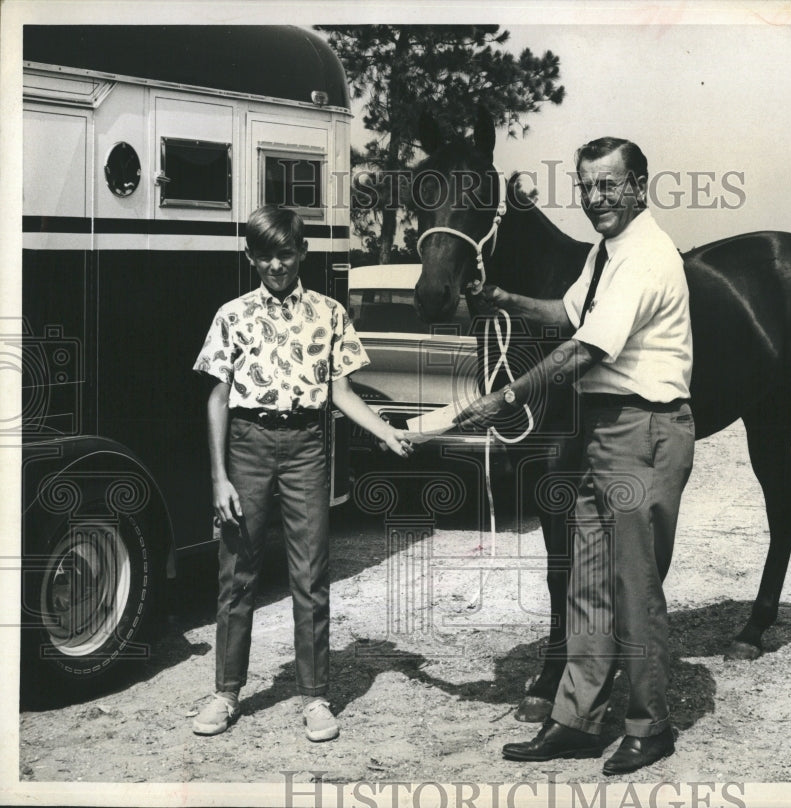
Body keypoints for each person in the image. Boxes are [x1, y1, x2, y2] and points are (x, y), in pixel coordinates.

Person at [454, 137, 694, 776]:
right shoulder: (604, 253)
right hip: (598, 432)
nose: (595, 200)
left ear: (640, 187)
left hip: (643, 429)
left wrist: (503, 395)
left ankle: (651, 726)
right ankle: (577, 721)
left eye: (609, 186)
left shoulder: (646, 255)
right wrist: (500, 298)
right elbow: (564, 314)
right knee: (587, 584)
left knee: (632, 586)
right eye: (587, 187)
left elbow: (582, 351)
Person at [191, 205, 412, 741]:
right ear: (250, 256)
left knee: (310, 576)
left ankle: (315, 697)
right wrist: (219, 477)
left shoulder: (330, 313)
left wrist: (384, 430)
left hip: (308, 446)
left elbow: (341, 393)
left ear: (303, 252)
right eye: (264, 254)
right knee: (237, 573)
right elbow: (218, 398)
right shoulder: (232, 314)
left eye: (286, 252)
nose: (276, 264)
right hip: (247, 445)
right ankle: (225, 692)